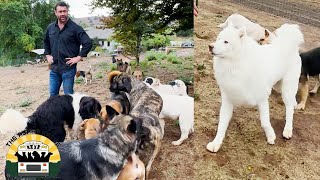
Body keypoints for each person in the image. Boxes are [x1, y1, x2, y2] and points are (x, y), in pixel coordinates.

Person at [44, 1, 92, 96]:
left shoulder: (75, 28)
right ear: (55, 12)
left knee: (68, 96)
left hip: (68, 69)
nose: (62, 14)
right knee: (53, 96)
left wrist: (78, 57)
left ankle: (70, 111)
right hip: (54, 69)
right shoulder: (50, 28)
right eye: (60, 11)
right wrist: (48, 55)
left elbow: (88, 43)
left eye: (64, 11)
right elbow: (46, 42)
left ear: (67, 12)